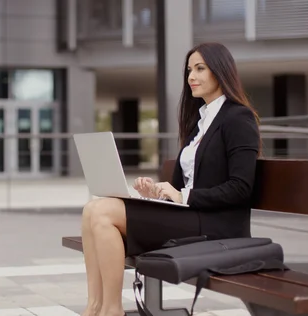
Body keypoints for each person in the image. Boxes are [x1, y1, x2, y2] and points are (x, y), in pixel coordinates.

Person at [79, 42, 261, 316]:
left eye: (200, 68)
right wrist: (156, 192)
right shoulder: (199, 123)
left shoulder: (238, 118)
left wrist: (183, 196)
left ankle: (111, 310)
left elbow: (242, 188)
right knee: (92, 209)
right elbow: (181, 186)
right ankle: (95, 306)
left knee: (103, 213)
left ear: (220, 72)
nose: (191, 77)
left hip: (216, 226)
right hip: (190, 216)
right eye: (189, 70)